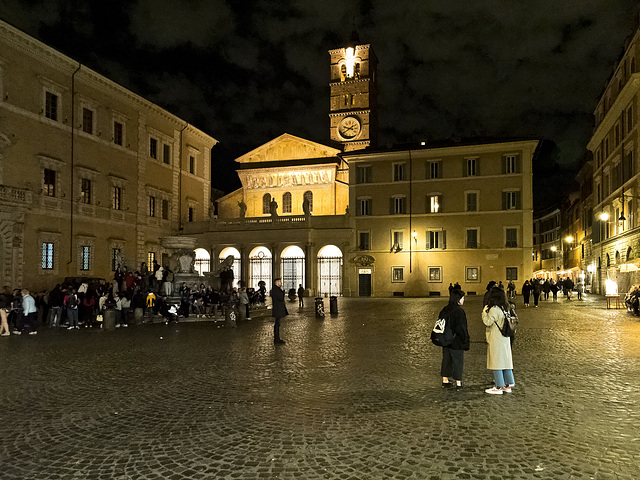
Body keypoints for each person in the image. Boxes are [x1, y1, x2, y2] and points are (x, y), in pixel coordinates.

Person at [482, 287, 515, 394]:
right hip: (505, 337)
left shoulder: (495, 309)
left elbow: (487, 322)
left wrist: (484, 311)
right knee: (505, 361)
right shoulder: (506, 307)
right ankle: (508, 384)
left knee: (496, 362)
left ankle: (499, 386)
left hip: (496, 338)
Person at [439, 288, 470, 390]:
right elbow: (462, 328)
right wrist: (465, 340)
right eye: (462, 298)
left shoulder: (445, 309)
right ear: (458, 299)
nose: (463, 300)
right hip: (456, 341)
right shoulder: (459, 311)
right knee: (457, 361)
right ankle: (458, 383)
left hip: (446, 340)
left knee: (446, 360)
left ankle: (445, 380)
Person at [270, 278, 288, 345]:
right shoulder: (276, 290)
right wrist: (282, 291)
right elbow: (281, 298)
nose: (281, 283)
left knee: (278, 323)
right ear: (277, 282)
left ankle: (277, 338)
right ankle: (276, 339)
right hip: (278, 309)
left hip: (277, 308)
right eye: (280, 282)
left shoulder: (274, 289)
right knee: (277, 324)